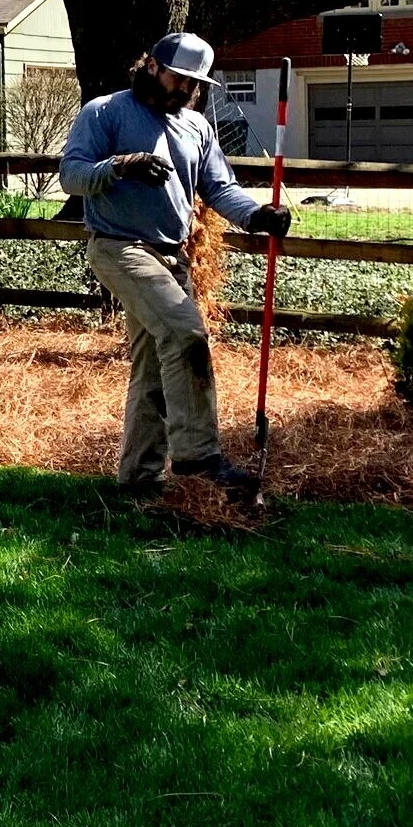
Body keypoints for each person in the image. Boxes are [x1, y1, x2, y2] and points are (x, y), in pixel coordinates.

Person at [60, 31, 291, 503]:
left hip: (173, 254)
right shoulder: (104, 112)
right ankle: (199, 459)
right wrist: (121, 166)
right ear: (151, 67)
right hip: (119, 248)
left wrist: (257, 216)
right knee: (186, 334)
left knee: (153, 368)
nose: (188, 91)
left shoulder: (196, 128)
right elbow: (72, 175)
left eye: (197, 84)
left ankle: (139, 482)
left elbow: (220, 188)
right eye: (180, 79)